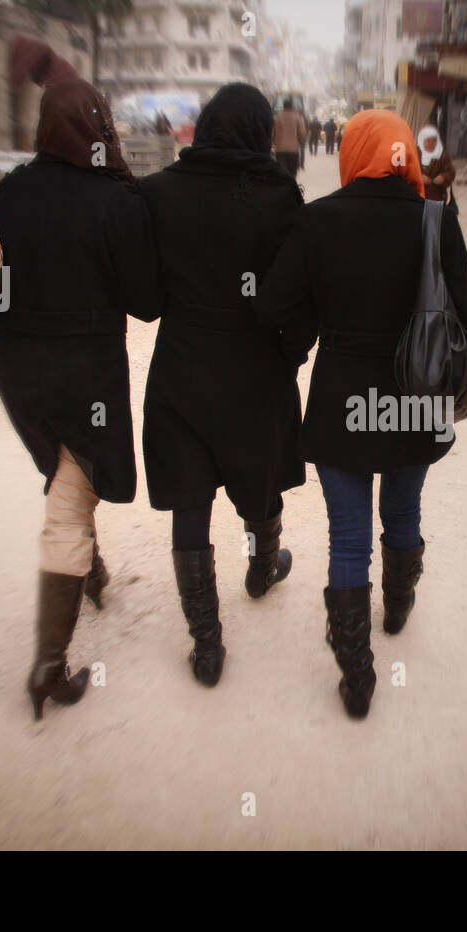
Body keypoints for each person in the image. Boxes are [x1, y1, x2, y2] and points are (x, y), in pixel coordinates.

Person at [256, 110, 467, 719]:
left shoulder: (318, 219)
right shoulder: (437, 219)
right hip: (417, 397)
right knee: (403, 508)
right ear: (404, 151)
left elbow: (276, 302)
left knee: (348, 535)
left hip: (342, 402)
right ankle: (399, 603)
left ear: (354, 152)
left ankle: (357, 675)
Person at [0, 77, 159, 720]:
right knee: (69, 501)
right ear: (98, 127)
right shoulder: (116, 202)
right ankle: (48, 666)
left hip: (15, 370)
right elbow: (147, 303)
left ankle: (88, 573)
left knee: (66, 475)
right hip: (85, 374)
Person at [137, 83, 306, 688]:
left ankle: (207, 647)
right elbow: (299, 294)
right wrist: (290, 353)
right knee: (259, 482)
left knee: (190, 500)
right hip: (255, 368)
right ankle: (263, 568)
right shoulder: (282, 197)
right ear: (261, 131)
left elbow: (147, 301)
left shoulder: (156, 193)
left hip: (182, 365)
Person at [416, 124, 455, 205]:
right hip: (418, 197)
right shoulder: (415, 154)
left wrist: (443, 177)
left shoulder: (442, 155)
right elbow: (406, 172)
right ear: (422, 141)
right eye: (428, 141)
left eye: (434, 141)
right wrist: (419, 177)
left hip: (437, 198)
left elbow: (451, 172)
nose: (431, 143)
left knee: (435, 217)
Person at [272, 99, 306, 178]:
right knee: (293, 172)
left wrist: (274, 143)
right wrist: (299, 143)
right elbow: (302, 133)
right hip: (293, 150)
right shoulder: (298, 117)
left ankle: (283, 188)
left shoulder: (276, 117)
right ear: (292, 106)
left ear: (283, 106)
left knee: (281, 173)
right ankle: (292, 187)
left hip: (280, 150)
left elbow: (272, 133)